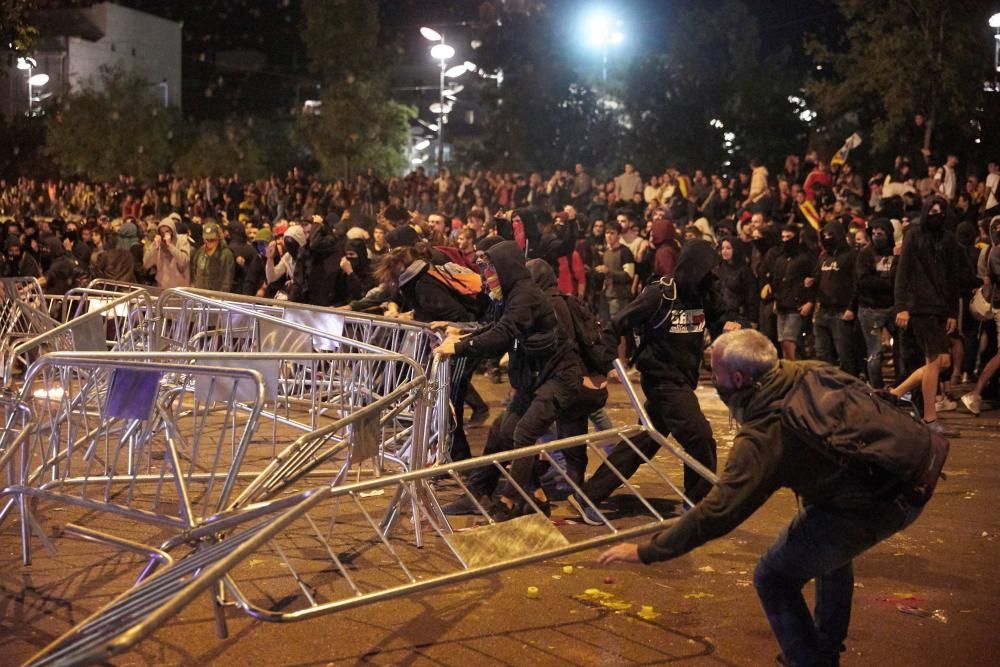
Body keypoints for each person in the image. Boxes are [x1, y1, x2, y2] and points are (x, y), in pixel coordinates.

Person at [598, 329, 932, 667]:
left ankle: (811, 661)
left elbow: (718, 511)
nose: (713, 381)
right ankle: (824, 649)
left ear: (739, 378)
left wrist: (647, 551)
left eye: (716, 373)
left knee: (772, 577)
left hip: (879, 501)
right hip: (910, 475)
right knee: (828, 549)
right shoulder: (808, 370)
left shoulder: (765, 431)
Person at [569, 241, 741, 525]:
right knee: (700, 437)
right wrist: (606, 358)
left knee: (643, 441)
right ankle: (698, 505)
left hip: (683, 378)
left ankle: (588, 496)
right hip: (661, 379)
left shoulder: (704, 293)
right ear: (694, 267)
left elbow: (720, 315)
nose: (713, 275)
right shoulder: (660, 294)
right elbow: (617, 323)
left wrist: (727, 324)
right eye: (708, 269)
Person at [890, 196, 964, 434]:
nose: (936, 214)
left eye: (940, 210)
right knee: (933, 361)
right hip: (920, 307)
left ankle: (895, 394)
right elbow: (903, 271)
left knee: (943, 361)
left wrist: (952, 311)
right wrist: (901, 306)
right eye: (932, 210)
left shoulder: (948, 239)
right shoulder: (914, 234)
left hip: (940, 308)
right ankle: (930, 419)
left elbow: (953, 278)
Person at [142, 217, 190, 289]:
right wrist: (154, 246)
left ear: (172, 231)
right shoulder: (157, 244)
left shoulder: (181, 240)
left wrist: (170, 245)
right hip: (163, 288)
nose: (164, 235)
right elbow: (146, 264)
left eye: (167, 231)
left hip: (181, 288)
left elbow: (184, 261)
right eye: (162, 232)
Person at [190, 221, 235, 292]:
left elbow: (227, 280)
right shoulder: (200, 251)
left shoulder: (226, 254)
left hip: (215, 297)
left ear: (218, 237)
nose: (209, 242)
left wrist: (220, 298)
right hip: (200, 295)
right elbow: (194, 270)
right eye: (206, 239)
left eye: (212, 239)